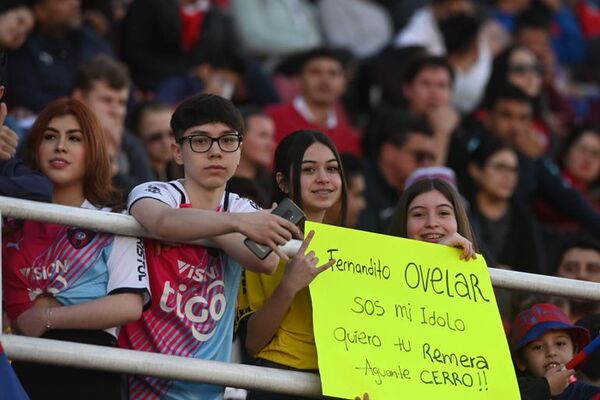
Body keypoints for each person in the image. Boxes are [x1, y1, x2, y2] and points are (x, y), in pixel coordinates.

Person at [117, 93, 301, 400]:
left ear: (239, 152)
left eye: (227, 141)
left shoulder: (242, 208)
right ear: (177, 151)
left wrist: (219, 225)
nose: (215, 151)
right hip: (140, 385)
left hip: (207, 388)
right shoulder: (154, 191)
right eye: (200, 141)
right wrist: (236, 225)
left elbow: (264, 261)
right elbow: (162, 221)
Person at [2, 97, 150, 399]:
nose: (60, 146)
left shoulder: (115, 219)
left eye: (74, 138)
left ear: (92, 150)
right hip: (20, 367)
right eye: (50, 136)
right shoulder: (10, 222)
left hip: (91, 370)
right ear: (35, 148)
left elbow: (128, 306)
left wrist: (46, 318)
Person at [236, 129, 348, 400]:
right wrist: (289, 285)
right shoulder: (263, 241)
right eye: (309, 170)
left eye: (332, 169)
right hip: (279, 381)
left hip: (338, 383)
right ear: (283, 182)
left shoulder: (352, 249)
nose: (324, 179)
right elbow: (252, 342)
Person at [6, 0, 112, 114]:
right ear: (40, 10)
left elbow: (117, 80)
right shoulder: (24, 47)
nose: (74, 3)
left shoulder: (89, 40)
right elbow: (26, 97)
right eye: (63, 1)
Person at [72, 55, 154, 195]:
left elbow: (150, 197)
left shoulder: (130, 145)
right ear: (80, 99)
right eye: (106, 100)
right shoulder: (53, 133)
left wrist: (113, 170)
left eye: (122, 102)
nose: (117, 111)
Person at [466, 136, 545, 274]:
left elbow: (535, 271)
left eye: (513, 170)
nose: (508, 177)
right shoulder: (461, 209)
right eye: (500, 167)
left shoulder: (524, 219)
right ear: (476, 170)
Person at [266, 48, 361, 155]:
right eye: (315, 72)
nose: (325, 80)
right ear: (299, 80)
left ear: (344, 84)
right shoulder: (270, 119)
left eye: (333, 74)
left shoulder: (351, 139)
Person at [357, 110, 435, 233]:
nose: (427, 164)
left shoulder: (415, 192)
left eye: (431, 158)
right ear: (389, 153)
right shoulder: (358, 187)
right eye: (419, 156)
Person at [510, 303, 600, 400]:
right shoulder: (509, 393)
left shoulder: (591, 396)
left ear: (575, 351)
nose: (551, 352)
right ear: (520, 361)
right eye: (538, 347)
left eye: (560, 344)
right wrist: (545, 387)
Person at [388, 177, 477, 261]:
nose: (431, 223)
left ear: (458, 219)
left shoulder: (487, 273)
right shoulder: (381, 270)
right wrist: (438, 254)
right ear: (404, 221)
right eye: (419, 214)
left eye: (443, 213)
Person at [129, 100, 181, 182]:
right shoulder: (133, 177)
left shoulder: (183, 169)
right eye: (156, 137)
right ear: (138, 138)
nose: (166, 143)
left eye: (171, 134)